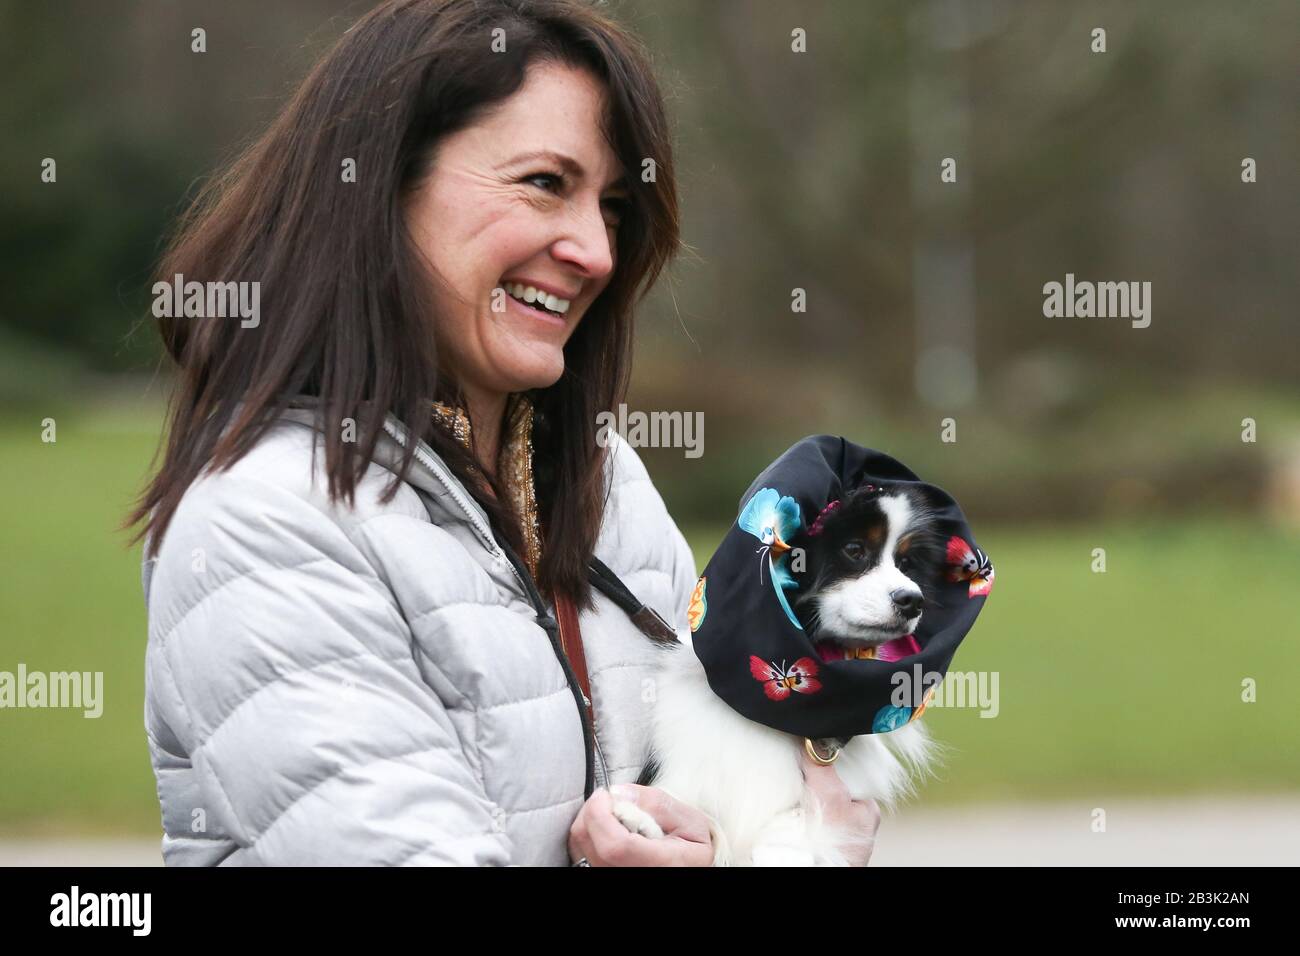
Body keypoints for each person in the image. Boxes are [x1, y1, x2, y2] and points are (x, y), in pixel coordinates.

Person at [130, 0, 879, 866]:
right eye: (544, 183)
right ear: (376, 183)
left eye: (614, 208)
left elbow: (731, 807)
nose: (596, 251)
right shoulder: (263, 521)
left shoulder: (609, 484)